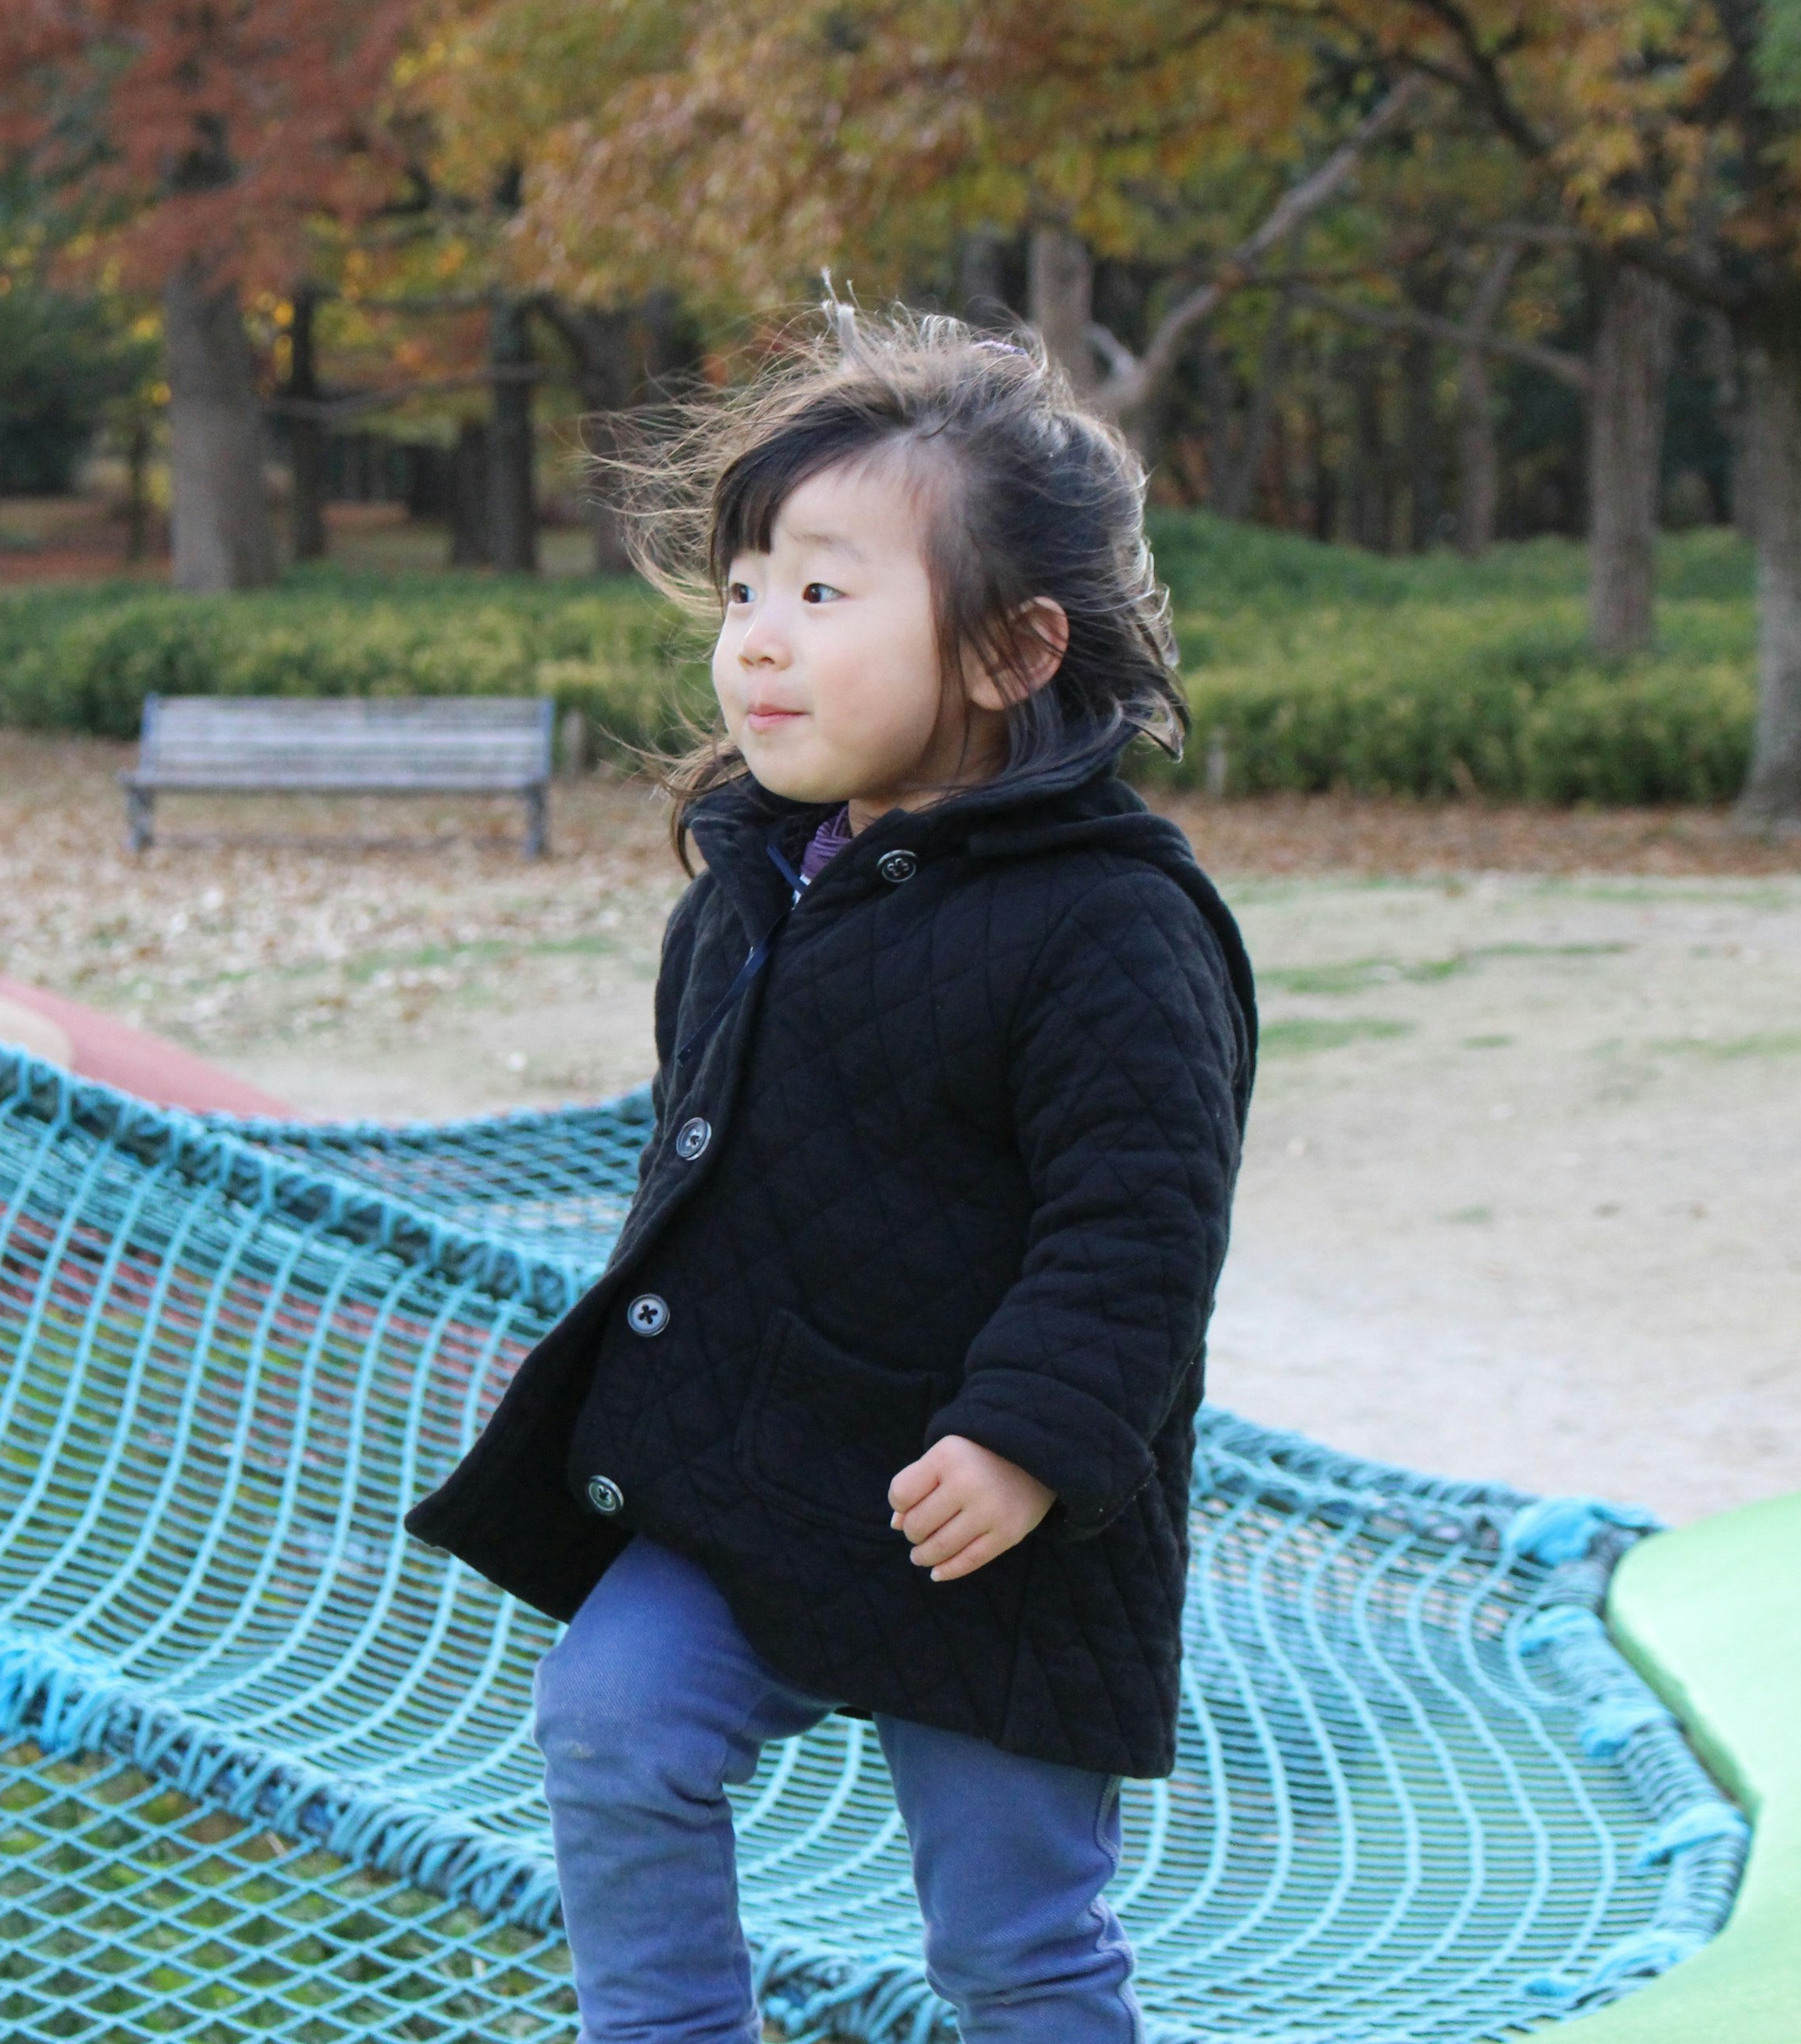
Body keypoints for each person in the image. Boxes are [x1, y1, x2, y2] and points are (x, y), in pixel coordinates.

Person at [405, 310, 1257, 2044]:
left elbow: (1140, 1224)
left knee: (1010, 1934)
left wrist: (1028, 1438)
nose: (755, 645)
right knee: (613, 1716)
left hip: (989, 1525)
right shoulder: (747, 884)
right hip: (757, 1469)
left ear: (1016, 650)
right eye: (740, 593)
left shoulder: (1112, 923)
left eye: (822, 593)